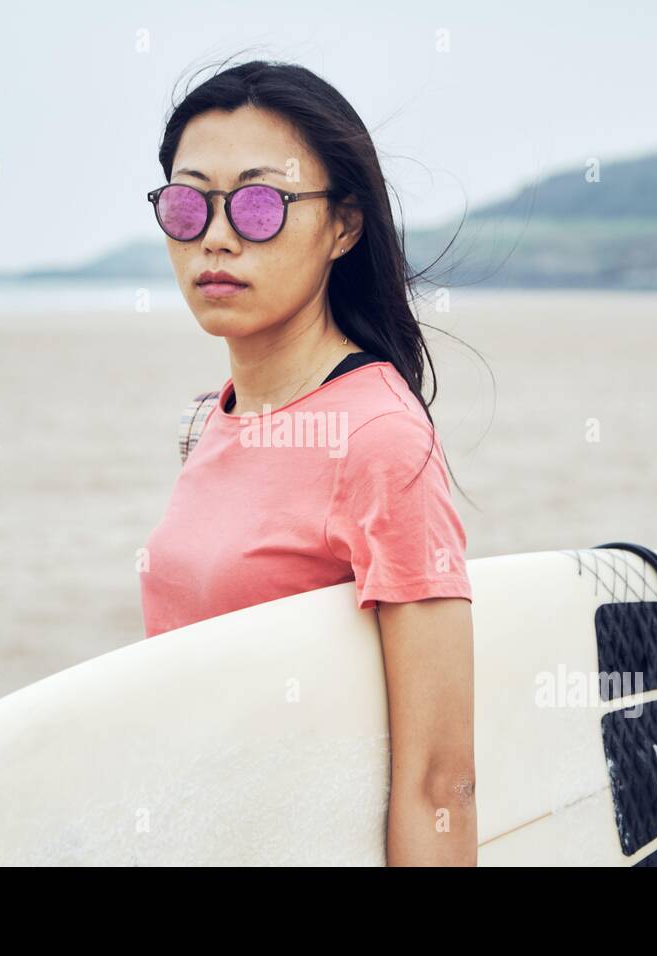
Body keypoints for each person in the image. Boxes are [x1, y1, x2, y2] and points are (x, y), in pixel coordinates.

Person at [139, 59, 476, 866]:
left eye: (260, 204)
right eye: (188, 204)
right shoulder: (212, 418)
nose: (216, 236)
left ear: (343, 226)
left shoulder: (380, 441)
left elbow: (439, 782)